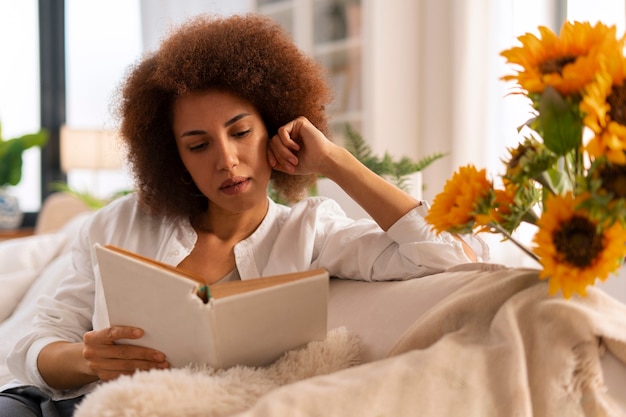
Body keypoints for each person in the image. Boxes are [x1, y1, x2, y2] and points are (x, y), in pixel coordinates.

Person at [0, 13, 488, 417]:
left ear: (276, 127)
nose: (226, 160)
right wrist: (89, 360)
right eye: (198, 145)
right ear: (174, 159)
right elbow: (33, 345)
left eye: (240, 132)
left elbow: (450, 257)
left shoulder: (311, 231)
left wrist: (336, 162)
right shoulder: (118, 223)